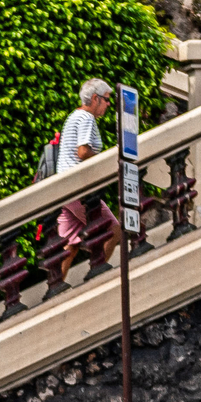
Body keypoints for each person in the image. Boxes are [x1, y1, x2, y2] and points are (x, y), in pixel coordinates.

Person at [52, 80, 115, 279]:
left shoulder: (73, 116)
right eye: (106, 99)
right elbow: (83, 151)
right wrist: (107, 160)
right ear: (95, 98)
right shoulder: (87, 118)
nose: (109, 104)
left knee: (70, 245)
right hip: (79, 189)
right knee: (114, 229)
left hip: (65, 189)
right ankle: (96, 276)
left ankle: (55, 289)